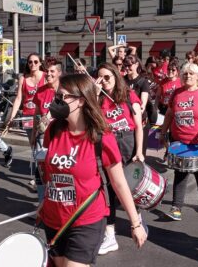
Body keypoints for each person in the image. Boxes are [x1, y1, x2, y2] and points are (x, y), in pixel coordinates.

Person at [37, 74, 147, 266]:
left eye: (61, 97)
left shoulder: (101, 137)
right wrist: (45, 202)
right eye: (56, 96)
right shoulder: (53, 130)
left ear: (80, 100)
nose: (55, 102)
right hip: (54, 217)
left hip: (86, 218)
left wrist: (135, 223)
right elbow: (53, 174)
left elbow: (119, 183)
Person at [95, 63, 145, 255]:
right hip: (108, 143)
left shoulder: (128, 95)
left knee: (132, 186)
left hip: (127, 141)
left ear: (116, 77)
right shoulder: (97, 99)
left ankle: (138, 221)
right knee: (109, 190)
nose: (104, 81)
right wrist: (95, 92)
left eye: (107, 77)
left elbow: (138, 125)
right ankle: (110, 235)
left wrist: (139, 150)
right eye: (100, 78)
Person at [160, 63, 198, 221]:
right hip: (180, 141)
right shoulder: (177, 93)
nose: (188, 76)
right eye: (185, 74)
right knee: (181, 172)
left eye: (191, 74)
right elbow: (169, 114)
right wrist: (162, 131)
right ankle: (176, 208)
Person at [30, 59, 63, 198]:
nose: (48, 74)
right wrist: (33, 134)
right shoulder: (41, 91)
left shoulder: (65, 91)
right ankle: (42, 204)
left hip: (61, 137)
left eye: (52, 71)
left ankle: (57, 203)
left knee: (59, 172)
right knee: (41, 172)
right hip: (43, 137)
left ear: (59, 73)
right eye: (47, 71)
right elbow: (37, 115)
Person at [8, 53, 45, 144]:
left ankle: (41, 158)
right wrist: (12, 117)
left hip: (42, 115)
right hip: (27, 115)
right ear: (28, 64)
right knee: (32, 143)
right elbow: (18, 98)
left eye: (36, 62)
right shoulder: (23, 78)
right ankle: (34, 158)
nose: (33, 64)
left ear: (40, 63)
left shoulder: (46, 76)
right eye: (30, 62)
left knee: (42, 142)